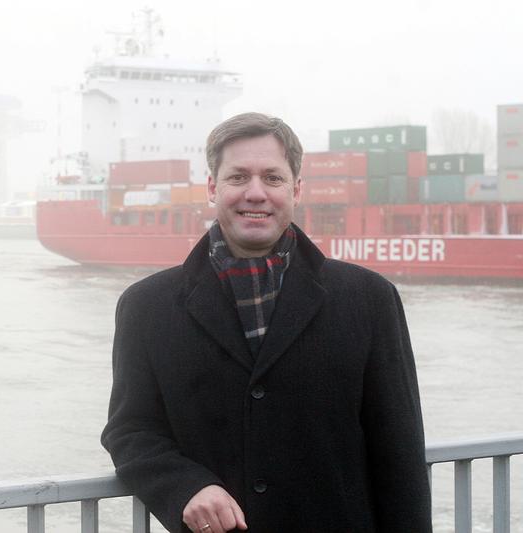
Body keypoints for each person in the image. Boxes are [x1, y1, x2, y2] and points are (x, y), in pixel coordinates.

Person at [100, 112, 431, 533]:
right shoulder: (146, 307)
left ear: (296, 190)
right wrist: (183, 487)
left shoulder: (369, 299)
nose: (255, 193)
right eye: (238, 177)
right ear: (211, 188)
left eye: (272, 178)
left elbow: (399, 454)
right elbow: (131, 430)